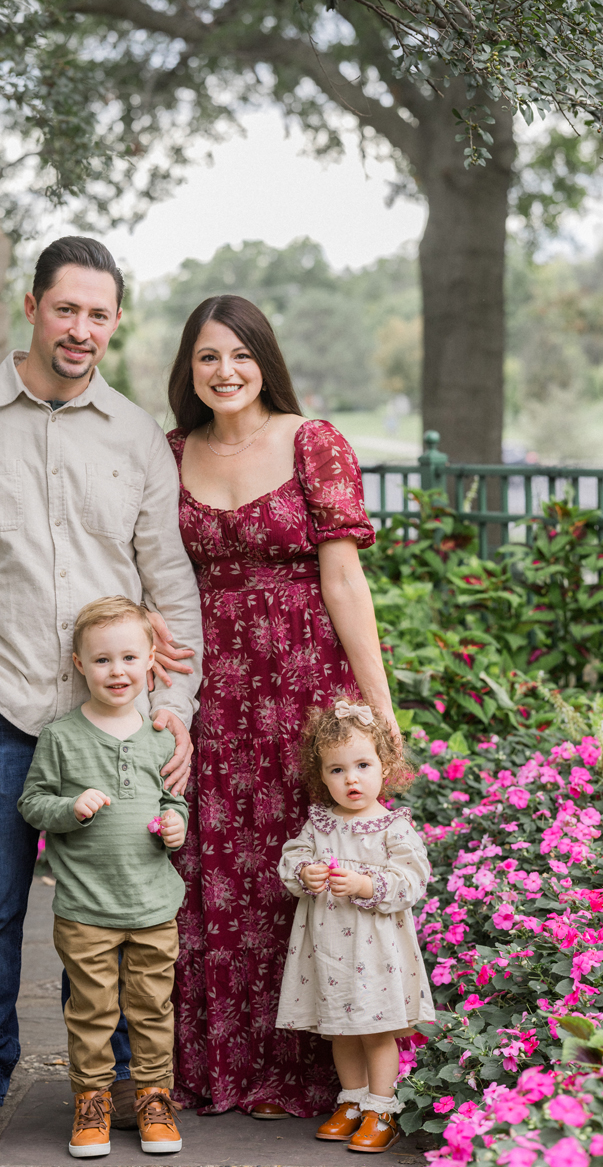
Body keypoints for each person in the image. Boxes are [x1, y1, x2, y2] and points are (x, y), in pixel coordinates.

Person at [0, 237, 203, 1150]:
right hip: (3, 710)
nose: (81, 329)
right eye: (66, 308)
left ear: (115, 322)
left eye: (99, 314)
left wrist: (169, 708)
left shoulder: (137, 436)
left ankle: (107, 1087)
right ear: (32, 307)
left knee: (113, 903)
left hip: (116, 723)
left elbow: (170, 585)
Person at [158, 294, 395, 1119]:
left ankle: (316, 1074)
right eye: (208, 358)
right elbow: (154, 575)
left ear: (266, 361)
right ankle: (225, 1066)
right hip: (210, 688)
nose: (225, 372)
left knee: (305, 869)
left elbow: (343, 581)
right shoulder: (169, 452)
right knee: (217, 873)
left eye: (240, 355)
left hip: (301, 682)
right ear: (189, 370)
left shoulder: (312, 442)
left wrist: (376, 705)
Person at [18, 596, 188, 1158]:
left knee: (152, 1009)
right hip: (86, 909)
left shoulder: (162, 735)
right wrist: (70, 809)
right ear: (79, 665)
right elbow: (32, 803)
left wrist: (174, 825)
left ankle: (153, 1100)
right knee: (91, 1012)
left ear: (149, 663)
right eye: (103, 661)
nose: (118, 671)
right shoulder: (61, 738)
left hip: (152, 906)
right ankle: (91, 1105)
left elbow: (173, 798)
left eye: (129, 659)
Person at [275, 699, 434, 1154]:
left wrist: (366, 883)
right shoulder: (320, 823)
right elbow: (292, 859)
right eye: (337, 770)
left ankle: (381, 1107)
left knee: (376, 1029)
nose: (351, 779)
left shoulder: (392, 826)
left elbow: (412, 880)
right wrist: (304, 873)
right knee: (340, 1027)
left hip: (376, 953)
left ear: (385, 766)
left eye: (363, 765)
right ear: (321, 777)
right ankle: (351, 1100)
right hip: (330, 954)